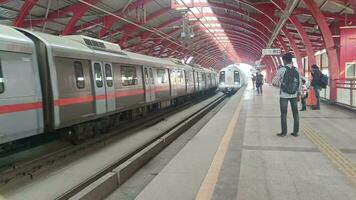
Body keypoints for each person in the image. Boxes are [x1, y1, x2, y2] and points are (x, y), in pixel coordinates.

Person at [273, 53, 302, 137]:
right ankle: (295, 132)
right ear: (291, 60)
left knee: (283, 114)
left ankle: (284, 132)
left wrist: (281, 85)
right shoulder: (296, 70)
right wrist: (298, 93)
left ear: (284, 61)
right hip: (294, 94)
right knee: (295, 113)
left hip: (284, 95)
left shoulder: (282, 70)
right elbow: (299, 83)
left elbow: (274, 82)